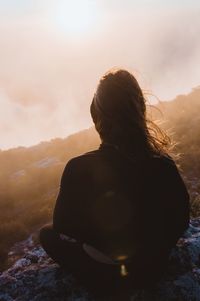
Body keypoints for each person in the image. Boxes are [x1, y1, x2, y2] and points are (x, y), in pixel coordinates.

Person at [39, 69, 190, 297]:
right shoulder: (163, 165)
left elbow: (63, 225)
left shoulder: (78, 167)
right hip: (152, 271)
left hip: (107, 274)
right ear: (140, 109)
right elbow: (180, 222)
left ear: (97, 118)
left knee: (47, 234)